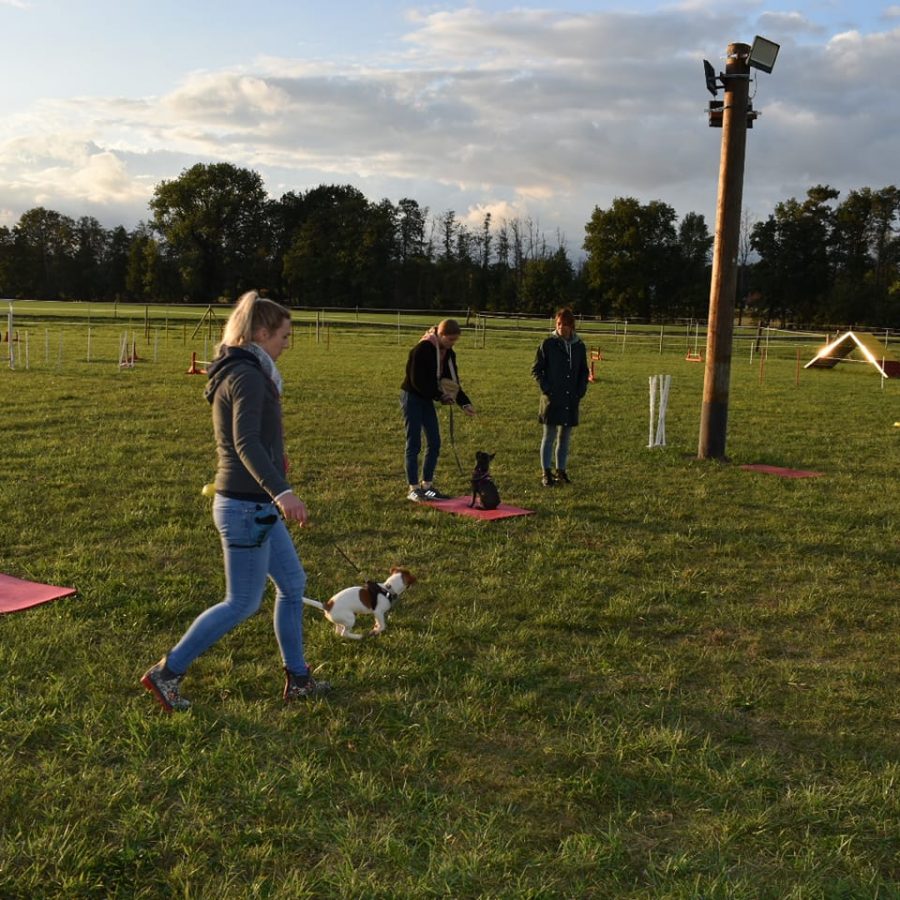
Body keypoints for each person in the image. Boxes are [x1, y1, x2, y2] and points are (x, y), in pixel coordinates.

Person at [141, 291, 329, 711]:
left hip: (255, 502)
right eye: (284, 335)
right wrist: (282, 490)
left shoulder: (247, 368)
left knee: (293, 585)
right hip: (247, 506)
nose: (287, 343)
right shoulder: (245, 375)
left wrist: (277, 459)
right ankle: (167, 672)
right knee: (242, 602)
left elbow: (252, 436)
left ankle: (298, 679)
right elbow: (243, 441)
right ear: (260, 333)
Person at [400, 318, 476, 502]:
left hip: (427, 398)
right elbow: (417, 380)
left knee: (434, 442)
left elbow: (452, 382)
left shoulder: (449, 354)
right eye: (449, 340)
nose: (452, 344)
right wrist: (439, 396)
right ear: (440, 335)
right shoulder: (422, 349)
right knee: (414, 442)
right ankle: (414, 488)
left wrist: (465, 403)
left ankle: (427, 485)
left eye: (454, 341)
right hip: (412, 396)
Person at [531, 307, 589, 487]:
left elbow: (583, 371)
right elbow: (536, 370)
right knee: (549, 435)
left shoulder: (579, 346)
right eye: (558, 324)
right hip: (552, 399)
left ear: (572, 326)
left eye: (564, 324)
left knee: (565, 437)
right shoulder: (548, 344)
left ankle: (561, 471)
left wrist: (580, 391)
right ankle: (546, 472)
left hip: (571, 398)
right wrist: (547, 389)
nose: (561, 327)